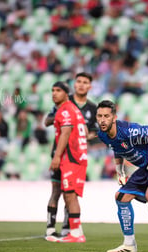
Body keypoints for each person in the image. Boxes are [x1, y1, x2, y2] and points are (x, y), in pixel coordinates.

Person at [96, 100, 148, 252]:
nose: (102, 120)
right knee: (121, 196)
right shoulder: (103, 134)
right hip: (146, 167)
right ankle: (129, 244)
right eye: (99, 116)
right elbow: (117, 147)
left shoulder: (130, 131)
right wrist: (120, 171)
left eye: (106, 116)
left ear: (114, 118)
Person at [44, 74, 97, 238]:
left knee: (70, 193)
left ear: (90, 86)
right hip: (63, 153)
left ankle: (70, 229)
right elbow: (47, 121)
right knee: (58, 191)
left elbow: (91, 131)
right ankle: (51, 228)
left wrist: (80, 133)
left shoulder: (89, 108)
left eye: (85, 82)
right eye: (78, 82)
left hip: (71, 155)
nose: (81, 85)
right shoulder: (66, 106)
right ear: (74, 85)